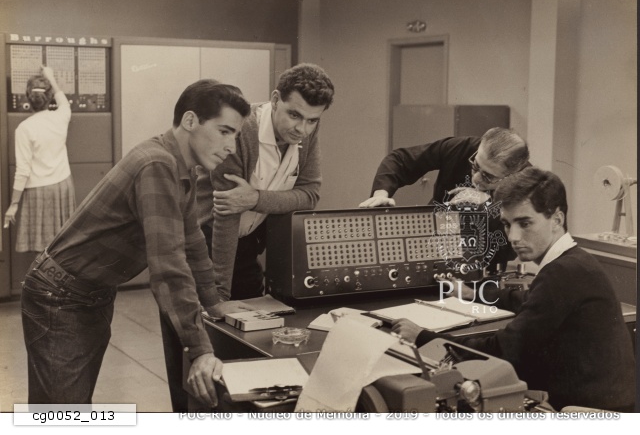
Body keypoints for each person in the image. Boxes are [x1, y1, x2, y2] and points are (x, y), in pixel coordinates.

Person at [20, 80, 251, 407]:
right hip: (60, 295)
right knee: (60, 414)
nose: (231, 147)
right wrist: (200, 351)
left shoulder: (182, 169)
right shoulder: (157, 163)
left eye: (236, 136)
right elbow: (169, 266)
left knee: (71, 408)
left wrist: (214, 304)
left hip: (91, 292)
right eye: (224, 131)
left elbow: (193, 244)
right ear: (190, 121)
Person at [392, 167, 636, 412]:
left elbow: (502, 350)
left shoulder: (563, 272)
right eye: (507, 225)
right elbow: (527, 299)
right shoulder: (575, 261)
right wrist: (471, 293)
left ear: (557, 219)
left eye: (525, 223)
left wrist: (423, 337)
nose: (513, 237)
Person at [197, 63, 335, 302]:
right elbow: (226, 214)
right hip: (207, 240)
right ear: (275, 99)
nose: (302, 129)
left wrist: (255, 199)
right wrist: (220, 292)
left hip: (247, 242)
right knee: (206, 314)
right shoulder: (240, 130)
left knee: (253, 310)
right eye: (294, 115)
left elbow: (309, 195)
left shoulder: (307, 130)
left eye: (312, 120)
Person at [359, 127, 530, 271]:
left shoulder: (527, 184)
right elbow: (401, 159)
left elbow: (513, 246)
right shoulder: (462, 148)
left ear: (512, 175)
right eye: (475, 166)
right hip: (429, 245)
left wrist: (486, 206)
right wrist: (381, 194)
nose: (476, 179)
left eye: (488, 176)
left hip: (482, 265)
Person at [3, 67, 76, 253]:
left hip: (38, 190)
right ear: (49, 98)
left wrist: (14, 204)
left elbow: (23, 170)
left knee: (43, 248)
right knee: (63, 244)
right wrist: (50, 76)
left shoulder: (24, 128)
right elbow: (62, 100)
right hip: (63, 186)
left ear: (29, 99)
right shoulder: (62, 116)